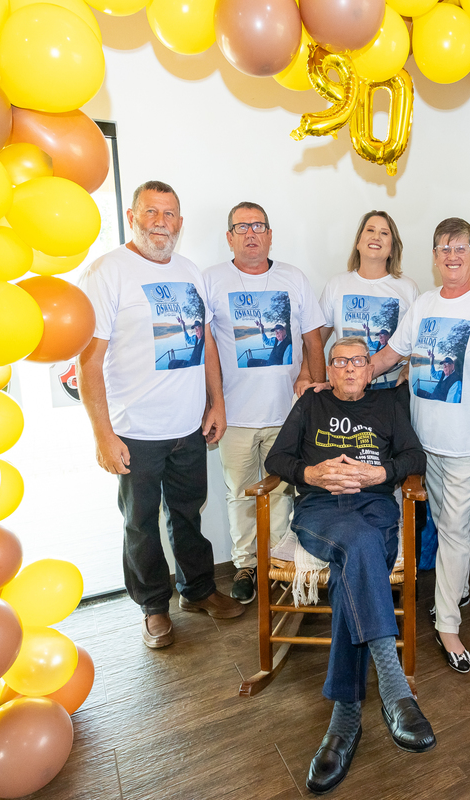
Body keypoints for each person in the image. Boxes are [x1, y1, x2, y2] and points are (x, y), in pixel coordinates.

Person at [78, 180, 243, 650]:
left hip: (188, 425)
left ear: (180, 223)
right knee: (140, 523)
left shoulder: (189, 271)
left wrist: (217, 402)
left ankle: (198, 590)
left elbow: (205, 343)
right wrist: (102, 435)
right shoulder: (107, 272)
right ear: (132, 217)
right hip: (134, 431)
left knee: (188, 514)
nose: (160, 222)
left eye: (169, 214)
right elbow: (88, 362)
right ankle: (153, 607)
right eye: (151, 212)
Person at [266, 337, 434, 794]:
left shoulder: (389, 405)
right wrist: (311, 474)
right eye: (340, 361)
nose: (350, 368)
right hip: (321, 511)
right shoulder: (311, 404)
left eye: (358, 361)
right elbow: (276, 458)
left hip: (374, 508)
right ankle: (395, 692)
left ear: (369, 369)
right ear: (330, 370)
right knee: (359, 547)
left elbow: (414, 457)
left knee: (351, 570)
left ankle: (345, 720)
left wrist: (381, 474)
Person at [367, 218, 470, 674]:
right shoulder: (424, 304)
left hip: (468, 443)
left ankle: (447, 625)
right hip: (424, 444)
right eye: (444, 248)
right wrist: (354, 373)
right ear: (433, 256)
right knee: (446, 524)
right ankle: (456, 587)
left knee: (454, 529)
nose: (452, 255)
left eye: (460, 247)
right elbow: (392, 353)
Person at [203, 202, 326, 604]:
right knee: (239, 492)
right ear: (230, 237)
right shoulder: (212, 280)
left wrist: (315, 391)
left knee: (282, 492)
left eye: (259, 226)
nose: (251, 234)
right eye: (242, 227)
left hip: (286, 414)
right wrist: (214, 403)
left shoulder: (293, 277)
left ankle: (277, 561)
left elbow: (313, 340)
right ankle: (246, 565)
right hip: (234, 415)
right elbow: (207, 347)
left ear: (270, 235)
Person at [319, 211, 418, 390]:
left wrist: (410, 367)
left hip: (391, 388)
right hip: (346, 388)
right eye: (370, 230)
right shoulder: (336, 284)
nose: (376, 237)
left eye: (384, 233)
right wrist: (317, 383)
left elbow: (418, 343)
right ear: (358, 242)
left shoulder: (408, 288)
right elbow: (316, 342)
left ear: (392, 248)